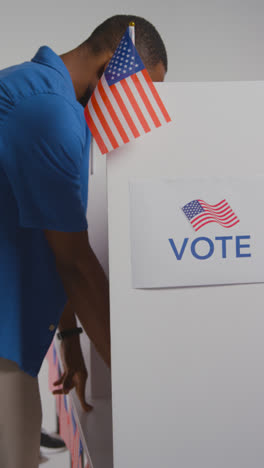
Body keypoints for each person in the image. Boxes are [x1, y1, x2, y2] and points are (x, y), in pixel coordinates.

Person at [0, 14, 167, 468]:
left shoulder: (35, 92)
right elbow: (74, 261)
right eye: (141, 91)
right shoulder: (49, 115)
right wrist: (141, 387)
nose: (138, 110)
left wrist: (71, 336)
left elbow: (49, 239)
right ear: (116, 64)